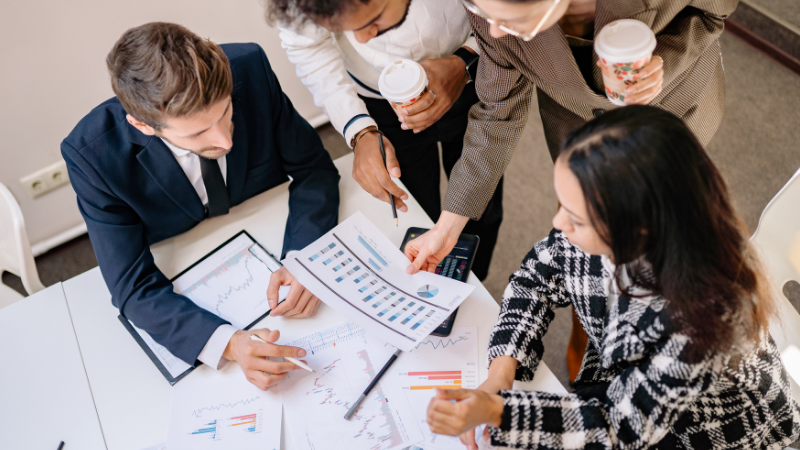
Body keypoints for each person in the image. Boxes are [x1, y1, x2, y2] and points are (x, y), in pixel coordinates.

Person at [425, 106, 800, 449]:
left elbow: (621, 426)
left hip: (704, 432)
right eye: (563, 206)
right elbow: (533, 279)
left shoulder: (707, 317)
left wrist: (498, 413)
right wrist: (501, 372)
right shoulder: (612, 227)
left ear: (635, 229)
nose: (558, 224)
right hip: (627, 384)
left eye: (575, 219)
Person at [404, 0, 738, 382]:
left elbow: (713, 11)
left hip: (671, 113)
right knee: (586, 236)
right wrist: (446, 229)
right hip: (577, 127)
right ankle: (590, 326)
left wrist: (665, 57)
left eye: (503, 13)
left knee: (657, 238)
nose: (492, 32)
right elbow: (498, 113)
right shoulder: (490, 12)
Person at [62, 23, 340, 391]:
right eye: (196, 134)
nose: (224, 139)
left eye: (226, 113)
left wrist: (304, 257)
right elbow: (131, 287)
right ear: (143, 126)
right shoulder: (92, 155)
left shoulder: (250, 68)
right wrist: (227, 343)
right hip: (186, 257)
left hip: (270, 225)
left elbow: (314, 170)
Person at [269, 0, 503, 280]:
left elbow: (510, 12)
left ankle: (476, 281)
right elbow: (307, 47)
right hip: (381, 101)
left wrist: (467, 58)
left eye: (372, 21)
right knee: (414, 213)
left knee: (482, 204)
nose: (361, 39)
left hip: (479, 67)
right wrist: (358, 128)